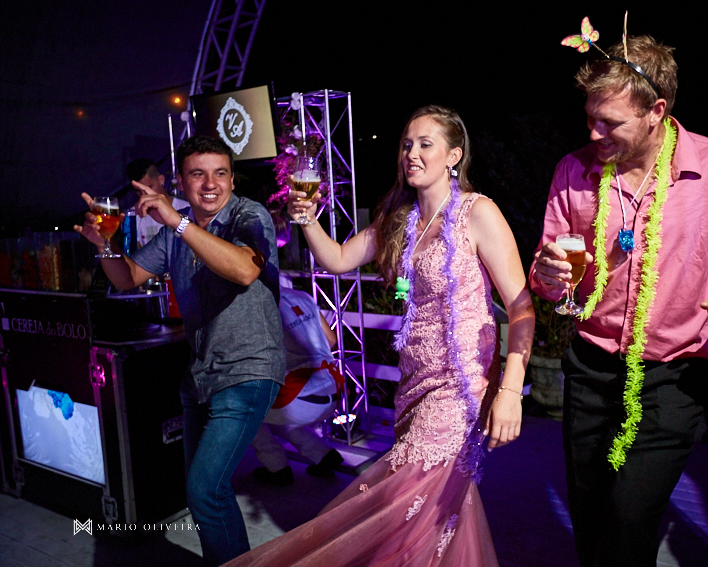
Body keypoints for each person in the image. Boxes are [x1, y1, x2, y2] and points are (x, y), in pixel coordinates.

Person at [225, 105, 535, 566]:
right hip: (414, 380)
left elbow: (521, 306)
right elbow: (339, 259)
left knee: (406, 489)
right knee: (436, 502)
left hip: (462, 381)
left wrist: (510, 390)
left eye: (425, 144)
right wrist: (308, 220)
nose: (411, 153)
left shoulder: (477, 212)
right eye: (407, 143)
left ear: (454, 155)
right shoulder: (400, 219)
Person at [528, 34, 708, 566]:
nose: (592, 132)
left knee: (628, 518)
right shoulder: (573, 171)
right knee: (592, 521)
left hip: (672, 379)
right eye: (591, 116)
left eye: (609, 122)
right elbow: (547, 279)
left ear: (656, 112)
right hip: (590, 370)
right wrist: (549, 275)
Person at [74, 136, 285, 566]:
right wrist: (105, 244)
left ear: (231, 178)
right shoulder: (178, 230)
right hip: (200, 378)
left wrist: (178, 223)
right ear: (181, 181)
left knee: (205, 489)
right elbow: (127, 277)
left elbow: (246, 270)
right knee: (206, 493)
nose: (211, 184)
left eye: (220, 173)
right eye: (198, 173)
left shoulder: (248, 215)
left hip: (249, 370)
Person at [251, 286, 345, 485]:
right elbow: (331, 340)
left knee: (243, 406)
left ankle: (276, 468)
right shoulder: (301, 295)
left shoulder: (256, 303)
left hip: (301, 394)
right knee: (278, 410)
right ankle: (324, 455)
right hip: (334, 388)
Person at [125, 158, 190, 248]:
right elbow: (134, 255)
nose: (144, 194)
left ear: (161, 180)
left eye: (149, 187)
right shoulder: (132, 215)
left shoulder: (187, 208)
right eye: (138, 190)